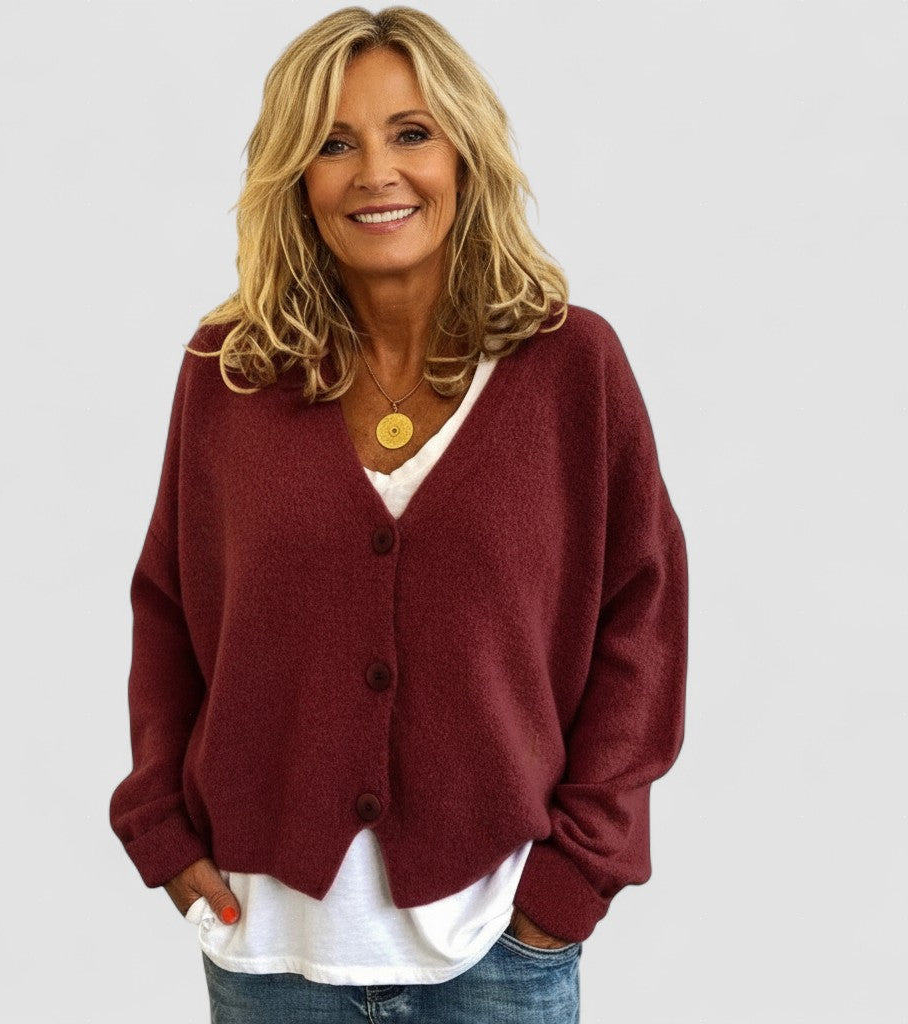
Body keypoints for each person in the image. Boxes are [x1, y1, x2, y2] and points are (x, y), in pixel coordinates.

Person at [109, 6, 688, 1022]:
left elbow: (642, 624)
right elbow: (169, 608)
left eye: (410, 133)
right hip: (270, 955)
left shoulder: (570, 369)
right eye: (334, 144)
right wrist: (160, 828)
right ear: (297, 176)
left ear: (463, 153)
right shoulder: (229, 376)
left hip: (497, 952)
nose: (376, 172)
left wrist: (573, 881)